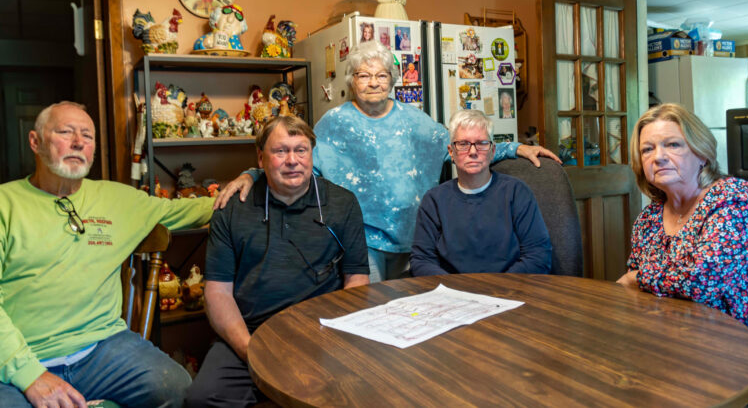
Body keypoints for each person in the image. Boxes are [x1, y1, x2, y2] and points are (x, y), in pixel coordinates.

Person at [215, 41, 560, 283]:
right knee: (376, 317)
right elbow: (295, 163)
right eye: (364, 76)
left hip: (419, 240)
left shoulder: (415, 120)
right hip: (363, 241)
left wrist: (515, 149)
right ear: (351, 82)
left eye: (381, 76)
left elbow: (461, 147)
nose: (373, 82)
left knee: (416, 319)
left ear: (392, 81)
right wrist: (251, 175)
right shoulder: (334, 122)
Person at [0, 102, 213, 407]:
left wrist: (253, 180)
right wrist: (31, 375)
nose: (77, 142)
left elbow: (189, 210)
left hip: (103, 348)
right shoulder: (5, 204)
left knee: (175, 387)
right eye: (64, 132)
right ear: (35, 141)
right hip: (21, 355)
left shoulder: (118, 199)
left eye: (87, 136)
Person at [186, 116, 369, 407]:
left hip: (322, 333)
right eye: (280, 151)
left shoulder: (342, 203)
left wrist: (336, 340)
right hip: (251, 334)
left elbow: (357, 280)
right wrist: (252, 352)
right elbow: (217, 293)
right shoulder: (231, 208)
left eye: (301, 150)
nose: (292, 160)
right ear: (260, 158)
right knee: (203, 399)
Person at [616, 103, 748, 406]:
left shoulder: (734, 198)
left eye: (673, 144)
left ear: (701, 153)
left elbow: (703, 281)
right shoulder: (647, 220)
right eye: (647, 149)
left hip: (741, 363)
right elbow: (634, 298)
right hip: (671, 355)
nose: (658, 156)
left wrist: (639, 277)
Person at [411, 110, 552, 276]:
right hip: (453, 296)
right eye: (463, 144)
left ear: (492, 151)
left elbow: (538, 256)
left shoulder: (516, 193)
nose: (472, 152)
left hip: (508, 292)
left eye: (481, 143)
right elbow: (421, 260)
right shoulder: (434, 201)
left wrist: (497, 288)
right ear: (451, 152)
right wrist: (455, 291)